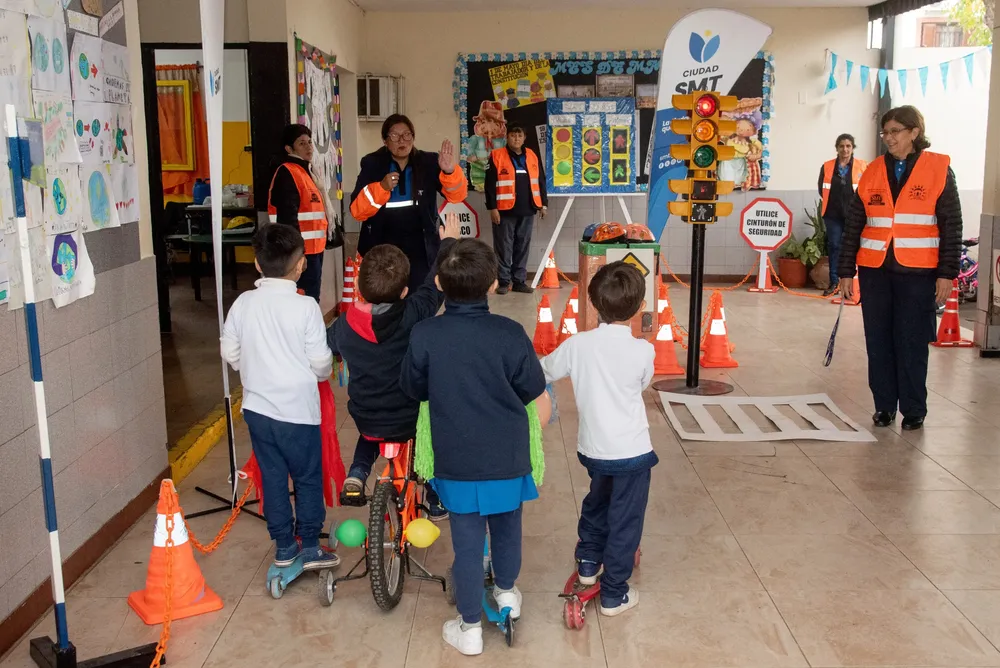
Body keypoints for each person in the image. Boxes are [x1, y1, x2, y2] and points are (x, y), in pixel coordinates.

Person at [400, 239, 551, 657]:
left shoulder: (425, 334)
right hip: (507, 458)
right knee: (507, 532)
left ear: (438, 283)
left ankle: (468, 629)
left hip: (457, 460)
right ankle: (505, 594)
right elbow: (532, 389)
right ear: (491, 285)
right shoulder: (510, 333)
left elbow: (412, 387)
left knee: (466, 546)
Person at [326, 214, 462, 521]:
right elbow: (435, 283)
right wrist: (448, 242)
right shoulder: (414, 312)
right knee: (430, 438)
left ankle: (357, 473)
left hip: (367, 414)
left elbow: (326, 344)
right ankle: (436, 496)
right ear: (403, 292)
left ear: (360, 289)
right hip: (409, 416)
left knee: (369, 435)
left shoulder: (345, 326)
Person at [539, 261, 656, 617]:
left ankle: (588, 565)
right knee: (625, 520)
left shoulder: (577, 345)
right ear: (638, 307)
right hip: (633, 453)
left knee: (597, 502)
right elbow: (642, 384)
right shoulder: (643, 351)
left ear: (593, 303)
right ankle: (614, 595)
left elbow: (544, 370)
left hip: (594, 450)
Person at [220, 224, 338, 570]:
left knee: (271, 477)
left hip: (257, 410)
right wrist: (319, 375)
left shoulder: (243, 303)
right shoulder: (305, 308)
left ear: (257, 264)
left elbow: (230, 351)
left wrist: (252, 367)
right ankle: (312, 546)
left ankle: (285, 546)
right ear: (301, 264)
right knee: (306, 478)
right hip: (298, 413)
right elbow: (320, 362)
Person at [838, 105, 962, 431]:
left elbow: (952, 225)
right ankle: (883, 407)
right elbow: (854, 224)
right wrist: (845, 271)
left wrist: (947, 273)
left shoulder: (939, 169)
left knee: (911, 341)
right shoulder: (872, 170)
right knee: (878, 341)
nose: (888, 138)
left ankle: (913, 409)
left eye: (895, 131)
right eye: (885, 131)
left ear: (914, 133)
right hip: (875, 269)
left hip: (919, 273)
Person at [350, 114, 468, 291]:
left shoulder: (428, 162)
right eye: (395, 136)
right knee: (386, 295)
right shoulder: (372, 164)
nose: (402, 140)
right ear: (385, 140)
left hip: (421, 245)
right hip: (383, 244)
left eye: (407, 135)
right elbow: (357, 211)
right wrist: (381, 188)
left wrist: (450, 171)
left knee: (420, 294)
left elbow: (456, 196)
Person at [267, 124, 329, 302]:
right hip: (299, 253)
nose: (309, 147)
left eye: (310, 142)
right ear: (289, 148)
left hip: (314, 250)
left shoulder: (306, 171)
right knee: (303, 300)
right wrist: (297, 254)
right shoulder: (288, 173)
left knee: (310, 298)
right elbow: (288, 219)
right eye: (302, 143)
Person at [485, 123, 548, 294]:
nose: (516, 139)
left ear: (524, 138)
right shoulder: (497, 155)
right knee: (503, 247)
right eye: (513, 135)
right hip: (504, 211)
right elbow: (489, 185)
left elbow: (540, 181)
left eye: (520, 136)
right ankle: (504, 282)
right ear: (507, 137)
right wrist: (492, 208)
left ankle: (519, 281)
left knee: (522, 246)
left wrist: (543, 204)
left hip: (528, 209)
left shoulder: (532, 156)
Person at [818, 133, 868, 296]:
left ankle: (855, 284)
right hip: (832, 214)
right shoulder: (827, 166)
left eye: (848, 146)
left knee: (855, 247)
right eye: (841, 146)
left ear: (853, 148)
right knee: (835, 246)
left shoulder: (862, 166)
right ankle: (835, 283)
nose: (845, 149)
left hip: (855, 215)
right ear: (837, 148)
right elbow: (822, 189)